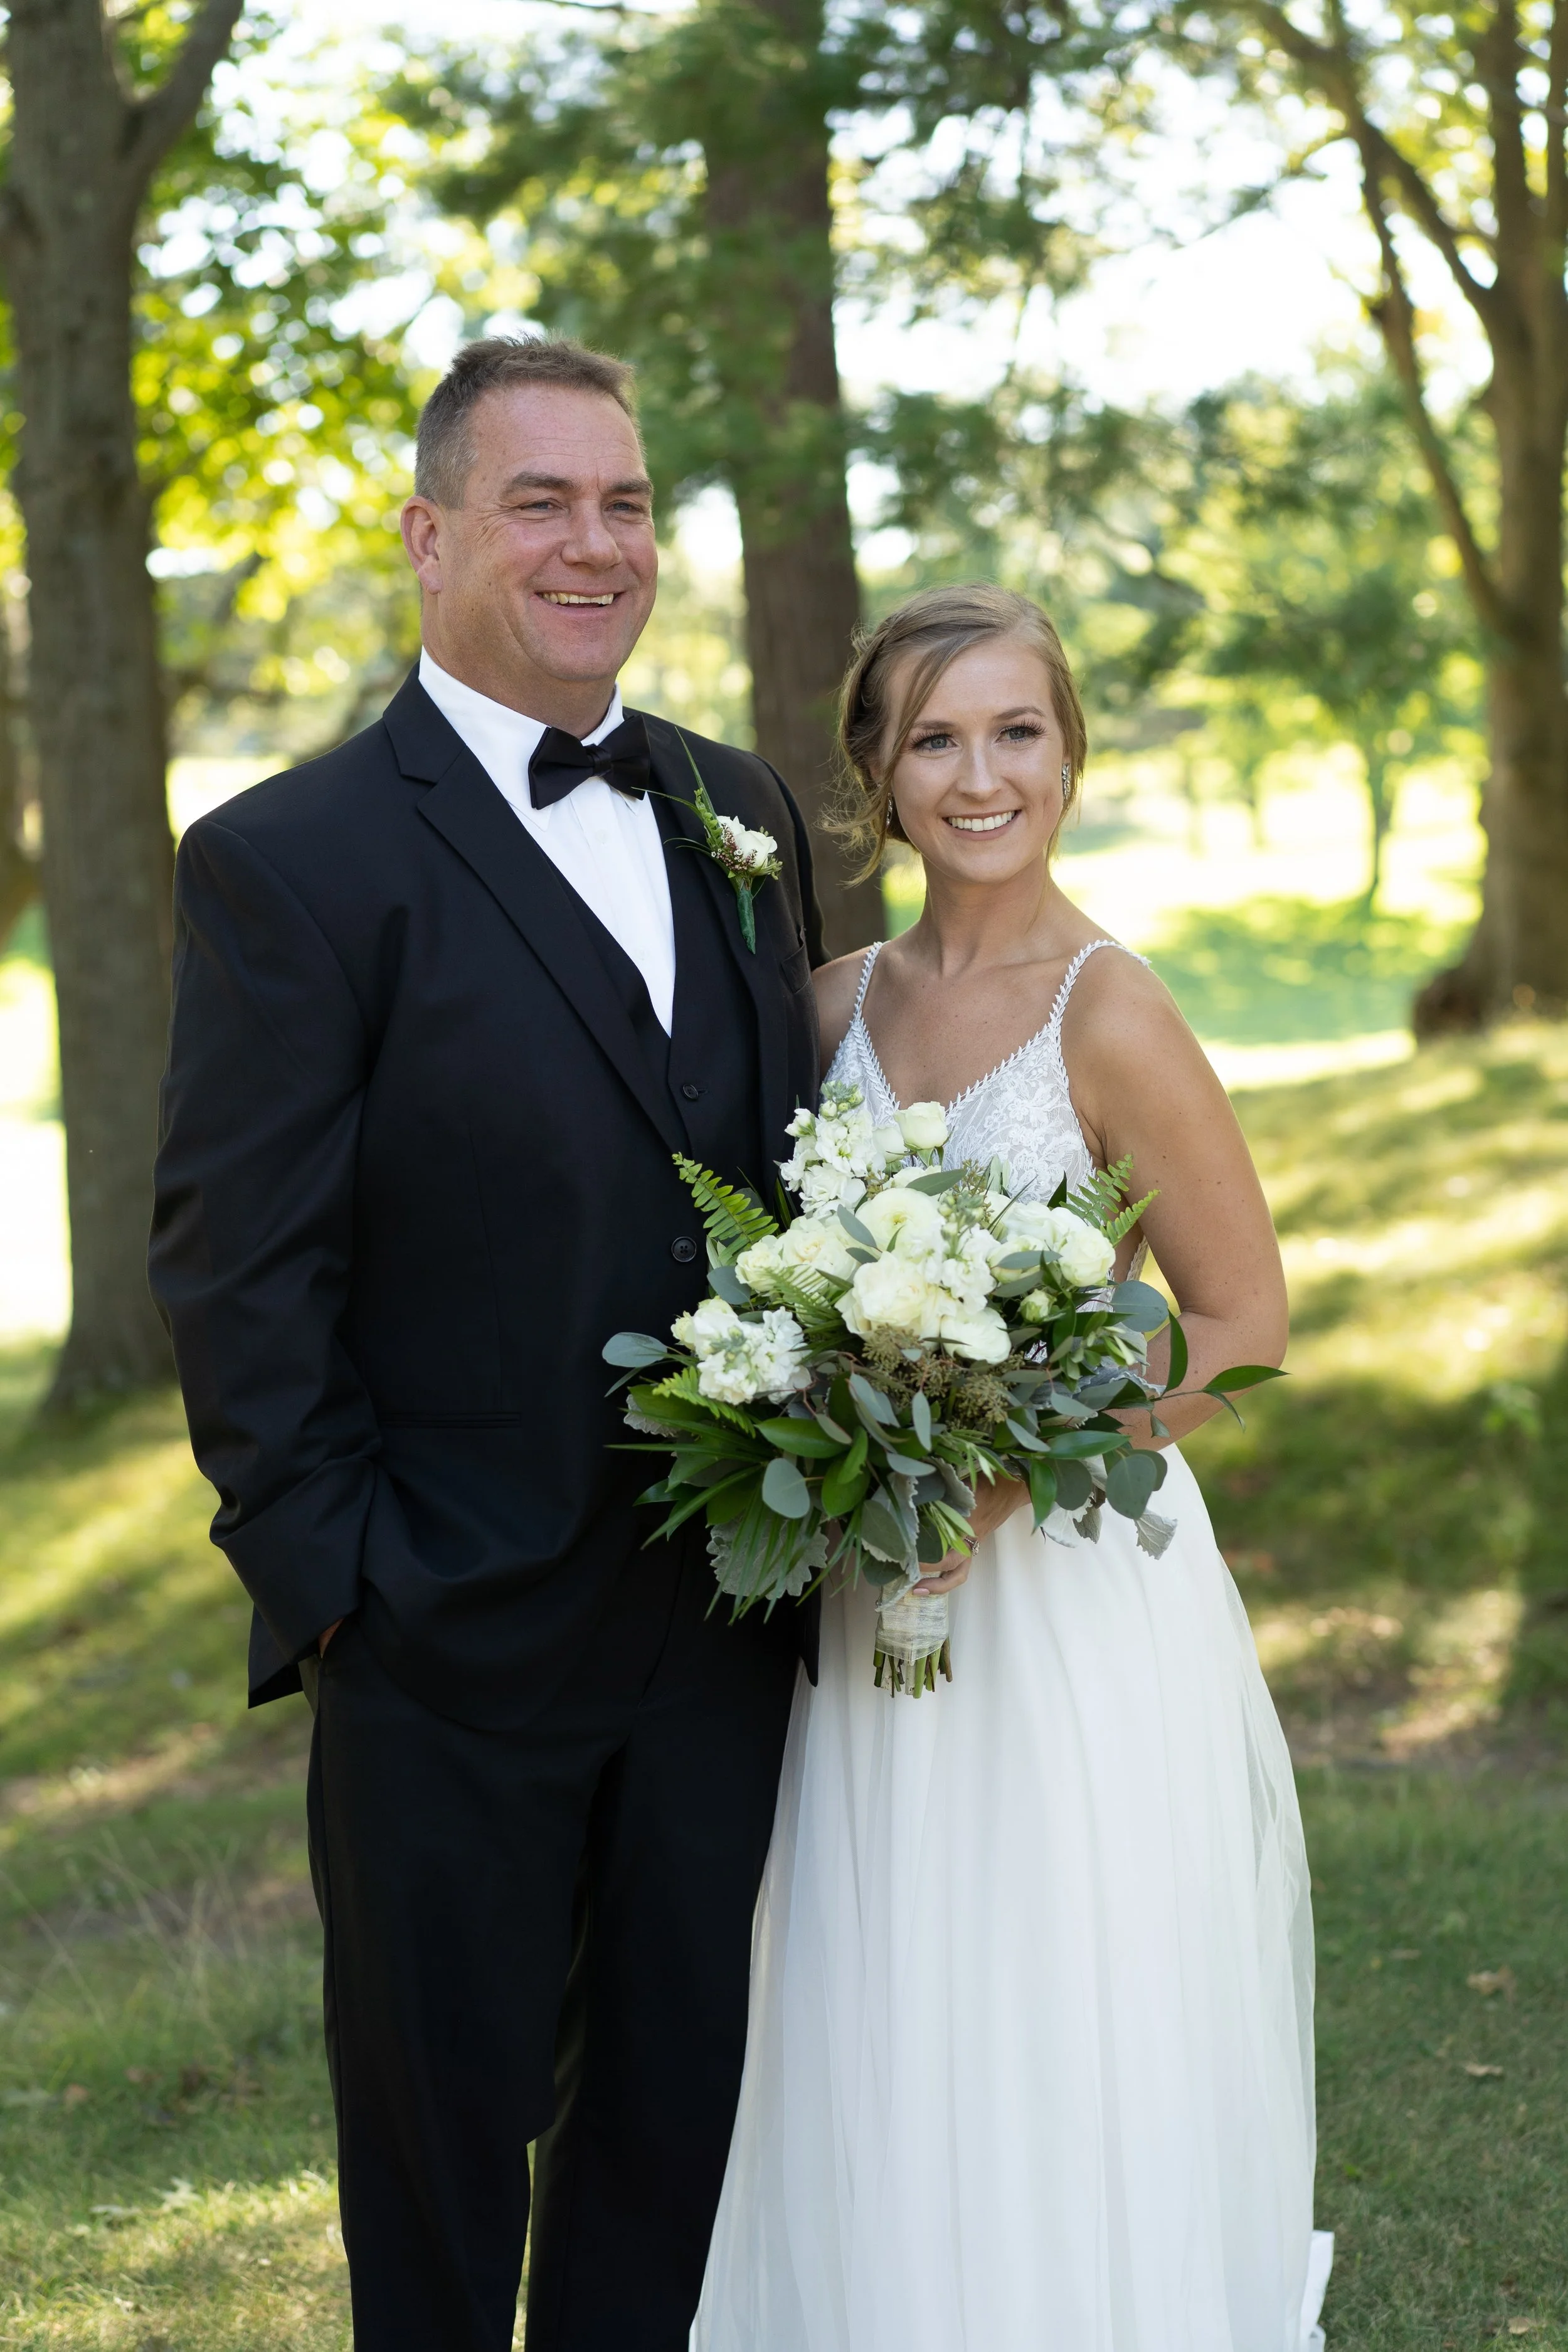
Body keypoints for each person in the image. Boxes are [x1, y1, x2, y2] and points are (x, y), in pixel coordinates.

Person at [148, 334, 824, 2352]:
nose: (593, 543)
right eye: (540, 501)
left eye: (622, 503)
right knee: (438, 2192)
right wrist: (344, 1585)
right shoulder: (294, 857)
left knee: (664, 2146)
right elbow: (236, 1263)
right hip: (440, 1636)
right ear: (429, 533)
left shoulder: (736, 805)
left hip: (722, 1625)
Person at [695, 582, 1333, 2351]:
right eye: (935, 739)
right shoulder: (817, 1005)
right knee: (868, 1997)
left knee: (1056, 2000)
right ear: (876, 779)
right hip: (855, 1595)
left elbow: (1238, 1317)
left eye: (1016, 731)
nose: (981, 775)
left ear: (1067, 753)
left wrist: (1021, 1458)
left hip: (1063, 1603)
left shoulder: (1107, 1010)